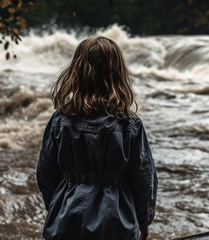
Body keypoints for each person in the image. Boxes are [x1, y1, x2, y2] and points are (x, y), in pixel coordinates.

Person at [36, 36, 158, 240]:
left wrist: (56, 206)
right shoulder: (129, 124)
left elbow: (45, 173)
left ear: (76, 73)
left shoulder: (60, 120)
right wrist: (144, 220)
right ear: (118, 75)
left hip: (66, 215)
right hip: (116, 219)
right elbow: (143, 178)